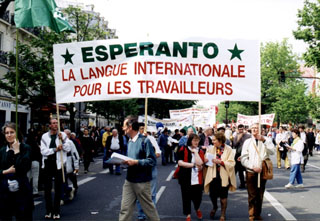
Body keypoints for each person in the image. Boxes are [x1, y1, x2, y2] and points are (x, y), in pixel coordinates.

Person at [119, 116, 159, 221]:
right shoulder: (130, 141)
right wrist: (124, 162)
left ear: (130, 127)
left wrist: (136, 162)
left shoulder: (145, 141)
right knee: (125, 209)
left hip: (142, 181)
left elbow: (152, 161)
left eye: (124, 126)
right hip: (129, 180)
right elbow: (131, 159)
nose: (122, 128)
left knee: (149, 210)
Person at [241, 123, 275, 221]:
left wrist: (264, 140)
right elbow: (243, 158)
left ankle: (257, 213)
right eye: (253, 128)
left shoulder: (266, 140)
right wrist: (252, 167)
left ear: (261, 130)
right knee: (252, 194)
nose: (255, 130)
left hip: (262, 171)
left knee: (260, 194)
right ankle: (251, 214)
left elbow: (272, 151)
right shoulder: (247, 142)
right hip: (250, 171)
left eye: (257, 128)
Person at [0, 122, 33, 220]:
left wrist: (17, 151)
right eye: (7, 133)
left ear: (17, 133)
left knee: (23, 216)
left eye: (12, 132)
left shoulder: (25, 148)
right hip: (5, 191)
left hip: (22, 189)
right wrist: (6, 171)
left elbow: (24, 167)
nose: (9, 135)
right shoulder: (2, 150)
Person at [40, 118, 71, 220]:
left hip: (59, 164)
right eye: (53, 123)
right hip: (48, 163)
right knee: (47, 189)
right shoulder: (44, 136)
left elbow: (68, 148)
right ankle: (49, 210)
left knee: (58, 188)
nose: (55, 125)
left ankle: (56, 211)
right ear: (49, 125)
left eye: (56, 123)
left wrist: (62, 140)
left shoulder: (63, 135)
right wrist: (55, 149)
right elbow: (43, 151)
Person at [204, 132, 236, 221]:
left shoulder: (228, 149)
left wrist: (221, 162)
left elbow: (232, 163)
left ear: (220, 140)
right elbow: (206, 160)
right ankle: (214, 207)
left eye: (214, 140)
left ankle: (223, 214)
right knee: (212, 195)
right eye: (212, 140)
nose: (212, 142)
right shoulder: (210, 149)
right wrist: (205, 160)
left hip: (224, 176)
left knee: (223, 197)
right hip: (213, 175)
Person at [136, 123, 161, 221]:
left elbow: (158, 153)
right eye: (141, 129)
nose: (143, 131)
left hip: (151, 169)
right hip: (140, 169)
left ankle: (151, 214)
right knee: (140, 193)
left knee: (152, 193)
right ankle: (141, 214)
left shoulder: (151, 139)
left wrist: (152, 155)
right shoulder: (134, 140)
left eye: (144, 129)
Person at [177, 134, 204, 221]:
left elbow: (200, 164)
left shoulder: (200, 151)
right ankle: (188, 215)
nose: (196, 142)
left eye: (197, 140)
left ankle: (197, 208)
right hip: (185, 177)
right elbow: (180, 163)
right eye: (194, 140)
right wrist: (192, 165)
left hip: (197, 178)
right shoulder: (183, 149)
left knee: (198, 197)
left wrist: (196, 152)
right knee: (186, 197)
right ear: (190, 141)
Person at [232, 124, 251, 189]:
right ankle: (240, 183)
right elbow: (234, 145)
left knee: (247, 169)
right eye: (239, 129)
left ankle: (248, 183)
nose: (241, 130)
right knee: (237, 170)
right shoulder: (236, 136)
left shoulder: (248, 136)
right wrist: (239, 137)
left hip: (246, 154)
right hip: (238, 154)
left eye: (242, 129)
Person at [64, 129, 79, 198]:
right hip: (61, 163)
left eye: (66, 134)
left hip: (69, 162)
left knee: (72, 176)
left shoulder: (70, 142)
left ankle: (74, 187)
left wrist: (76, 166)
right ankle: (66, 191)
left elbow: (75, 153)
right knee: (63, 178)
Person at [26, 129, 42, 197]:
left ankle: (26, 190)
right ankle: (35, 191)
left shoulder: (26, 144)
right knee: (35, 177)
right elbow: (39, 153)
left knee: (28, 176)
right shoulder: (35, 144)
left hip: (28, 162)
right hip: (35, 161)